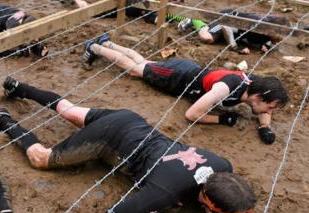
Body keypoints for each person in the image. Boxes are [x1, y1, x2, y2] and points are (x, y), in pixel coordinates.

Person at [0, 77, 257, 213]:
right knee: (42, 159)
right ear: (208, 200)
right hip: (110, 140)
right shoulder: (166, 191)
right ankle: (3, 120)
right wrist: (158, 207)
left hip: (132, 121)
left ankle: (21, 88)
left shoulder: (223, 165)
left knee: (69, 112)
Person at [82, 34, 289, 145]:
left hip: (190, 70)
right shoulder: (225, 89)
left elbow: (265, 108)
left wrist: (265, 128)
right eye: (269, 108)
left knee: (145, 62)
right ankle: (95, 48)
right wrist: (221, 119)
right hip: (177, 77)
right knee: (135, 69)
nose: (269, 113)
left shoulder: (255, 84)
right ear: (257, 97)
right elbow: (191, 114)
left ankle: (107, 42)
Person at [176, 9, 289, 54]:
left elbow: (271, 42)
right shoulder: (255, 25)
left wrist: (267, 45)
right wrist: (235, 47)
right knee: (207, 38)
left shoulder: (267, 31)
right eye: (281, 35)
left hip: (236, 30)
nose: (281, 39)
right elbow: (227, 27)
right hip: (226, 21)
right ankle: (196, 21)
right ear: (272, 29)